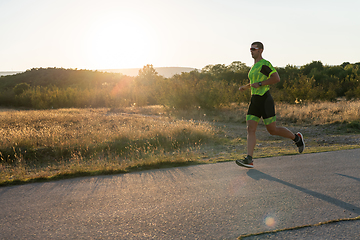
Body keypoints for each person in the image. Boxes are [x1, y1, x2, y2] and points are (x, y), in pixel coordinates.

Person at [236, 41, 305, 168]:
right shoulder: (253, 67)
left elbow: (276, 78)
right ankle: (249, 159)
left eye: (254, 49)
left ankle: (296, 138)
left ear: (260, 50)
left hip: (265, 100)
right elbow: (255, 82)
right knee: (250, 128)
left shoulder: (264, 64)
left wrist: (261, 84)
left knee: (272, 130)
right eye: (250, 49)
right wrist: (245, 87)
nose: (251, 51)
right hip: (254, 100)